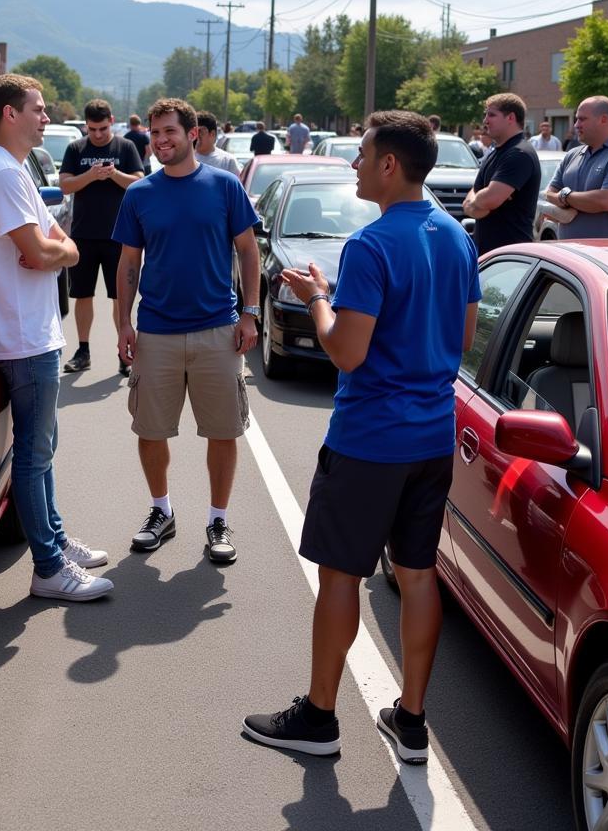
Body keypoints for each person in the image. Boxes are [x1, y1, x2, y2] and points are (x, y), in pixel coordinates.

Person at [243, 110, 480, 764]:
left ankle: (319, 717)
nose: (353, 165)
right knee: (418, 573)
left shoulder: (371, 246)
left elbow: (346, 351)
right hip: (432, 436)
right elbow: (462, 340)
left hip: (370, 439)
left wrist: (320, 299)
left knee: (341, 573)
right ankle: (410, 720)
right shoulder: (456, 238)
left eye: (362, 154)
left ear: (389, 165)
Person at [0, 74, 113, 602]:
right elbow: (39, 250)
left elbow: (51, 241)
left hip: (32, 332)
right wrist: (65, 252)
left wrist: (60, 248)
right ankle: (49, 568)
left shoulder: (15, 169)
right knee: (33, 453)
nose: (47, 117)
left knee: (41, 450)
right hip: (24, 338)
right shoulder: (2, 174)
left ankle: (54, 540)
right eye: (39, 108)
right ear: (11, 114)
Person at [113, 97, 260, 565]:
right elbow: (128, 263)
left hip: (218, 329)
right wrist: (124, 323)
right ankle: (162, 512)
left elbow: (248, 251)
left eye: (169, 132)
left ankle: (218, 519)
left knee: (223, 431)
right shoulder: (139, 194)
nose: (160, 141)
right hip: (155, 331)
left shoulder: (224, 186)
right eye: (155, 134)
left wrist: (250, 312)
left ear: (192, 134)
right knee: (151, 429)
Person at [58, 99, 144, 377]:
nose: (97, 135)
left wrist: (114, 174)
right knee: (82, 295)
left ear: (112, 121)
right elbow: (65, 185)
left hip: (119, 235)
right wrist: (91, 175)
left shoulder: (125, 147)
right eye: (92, 129)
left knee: (120, 296)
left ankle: (124, 352)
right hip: (83, 234)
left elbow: (139, 182)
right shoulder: (76, 148)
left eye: (103, 128)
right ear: (86, 125)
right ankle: (83, 350)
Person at [545, 96, 608, 239]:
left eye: (582, 119)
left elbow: (605, 201)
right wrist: (569, 199)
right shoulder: (572, 155)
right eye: (576, 119)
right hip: (571, 256)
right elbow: (549, 194)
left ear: (603, 119)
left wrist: (565, 196)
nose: (576, 125)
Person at [462, 93, 540, 254]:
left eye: (491, 115)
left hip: (511, 257)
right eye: (486, 114)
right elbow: (469, 202)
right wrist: (479, 201)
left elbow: (490, 200)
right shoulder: (494, 154)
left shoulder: (519, 153)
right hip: (489, 257)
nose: (485, 120)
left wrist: (482, 200)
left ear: (510, 117)